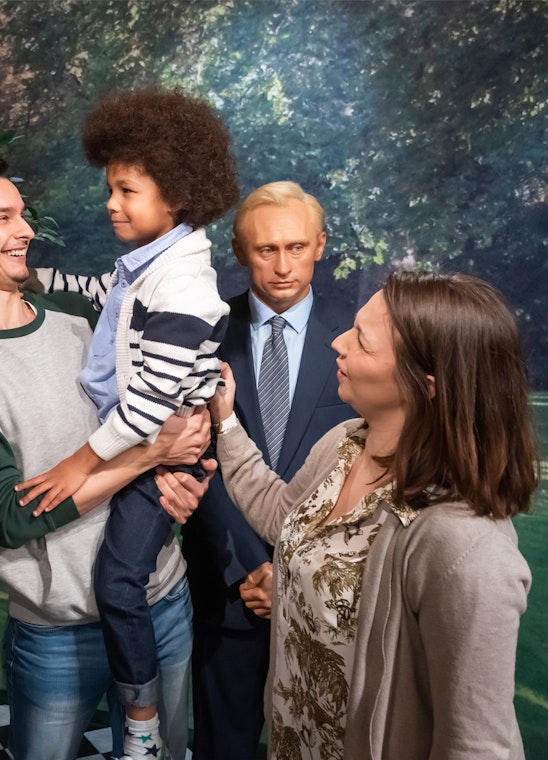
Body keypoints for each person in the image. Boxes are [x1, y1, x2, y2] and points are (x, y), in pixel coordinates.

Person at [0, 157, 212, 760]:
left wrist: (183, 468)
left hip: (160, 601)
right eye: (3, 217)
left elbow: (168, 412)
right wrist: (151, 458)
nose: (26, 230)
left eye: (24, 215)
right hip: (56, 634)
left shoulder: (84, 323)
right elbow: (9, 516)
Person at [210, 270, 537, 760]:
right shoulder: (345, 444)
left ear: (424, 384)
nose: (338, 343)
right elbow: (283, 516)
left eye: (361, 340)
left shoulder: (466, 547)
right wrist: (226, 421)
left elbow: (477, 743)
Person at [18, 88, 239, 759]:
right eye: (110, 188)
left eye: (127, 191)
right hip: (152, 436)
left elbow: (146, 411)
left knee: (117, 580)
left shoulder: (185, 287)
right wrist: (36, 278)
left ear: (174, 196)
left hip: (161, 445)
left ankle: (140, 717)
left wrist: (77, 466)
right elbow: (106, 300)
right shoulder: (145, 268)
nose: (111, 204)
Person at [181, 181, 354, 759]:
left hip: (326, 603)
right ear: (239, 251)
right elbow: (194, 459)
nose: (283, 266)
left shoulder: (359, 343)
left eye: (297, 248)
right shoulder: (202, 335)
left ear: (321, 246)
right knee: (221, 747)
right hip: (231, 588)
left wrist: (296, 574)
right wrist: (251, 568)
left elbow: (366, 467)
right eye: (265, 250)